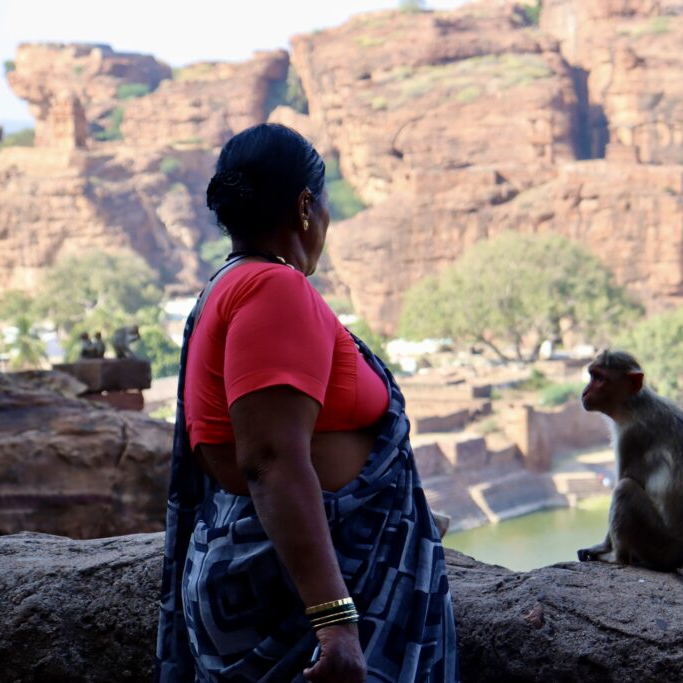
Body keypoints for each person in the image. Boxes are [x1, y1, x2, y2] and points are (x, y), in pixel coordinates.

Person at [155, 123, 458, 682]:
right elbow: (271, 460)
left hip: (259, 575)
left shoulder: (225, 283)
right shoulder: (274, 290)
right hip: (294, 597)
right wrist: (336, 621)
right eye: (325, 205)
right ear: (304, 207)